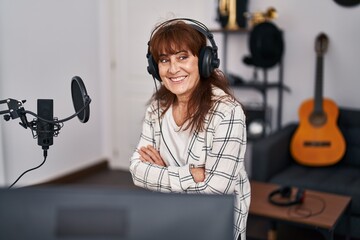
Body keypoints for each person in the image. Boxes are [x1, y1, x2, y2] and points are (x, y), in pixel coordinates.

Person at [129, 18, 251, 240]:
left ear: (205, 61)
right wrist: (191, 174)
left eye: (183, 57)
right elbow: (137, 171)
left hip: (214, 225)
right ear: (155, 68)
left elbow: (216, 191)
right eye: (164, 60)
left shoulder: (227, 112)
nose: (173, 69)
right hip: (169, 220)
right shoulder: (157, 109)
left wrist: (162, 171)